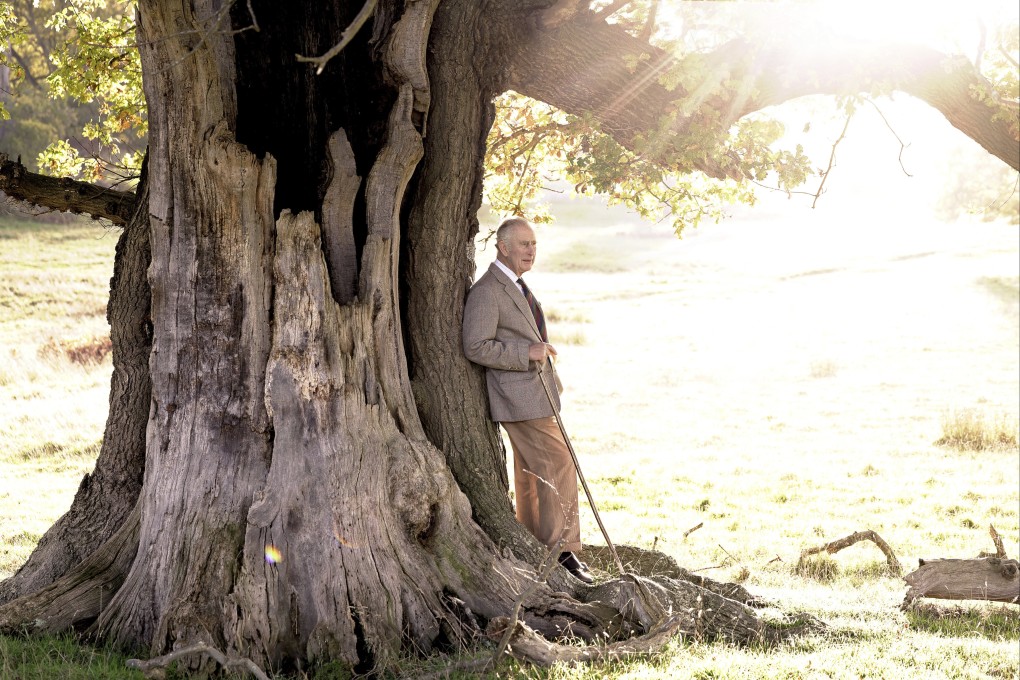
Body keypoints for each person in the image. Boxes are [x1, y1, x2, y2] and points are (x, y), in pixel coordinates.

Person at [462, 216, 593, 584]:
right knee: (559, 463)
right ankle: (563, 552)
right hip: (518, 398)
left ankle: (538, 544)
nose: (531, 251)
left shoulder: (517, 286)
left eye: (533, 244)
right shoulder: (488, 291)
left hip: (536, 395)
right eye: (523, 244)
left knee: (533, 472)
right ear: (503, 246)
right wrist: (527, 351)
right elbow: (474, 346)